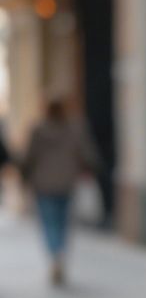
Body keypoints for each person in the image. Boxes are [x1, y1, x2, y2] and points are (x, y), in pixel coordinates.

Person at [20, 97, 101, 285]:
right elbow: (87, 153)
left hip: (44, 184)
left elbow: (29, 156)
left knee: (49, 222)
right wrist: (94, 168)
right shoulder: (75, 128)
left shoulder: (38, 130)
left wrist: (24, 175)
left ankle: (54, 254)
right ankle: (60, 252)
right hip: (67, 182)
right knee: (63, 222)